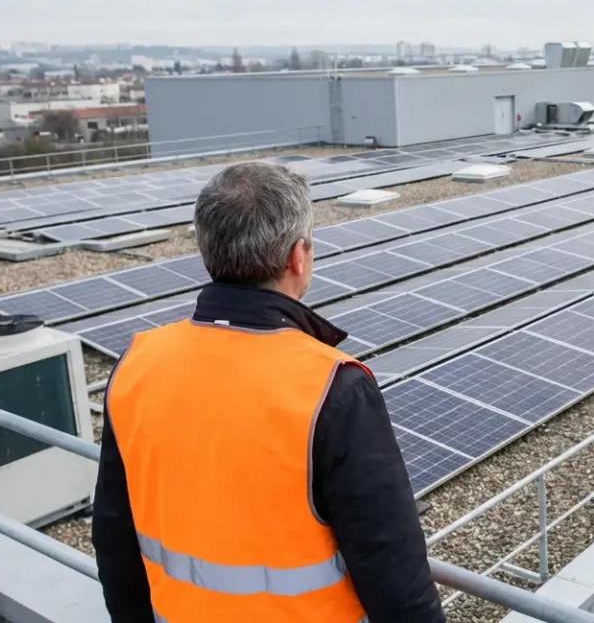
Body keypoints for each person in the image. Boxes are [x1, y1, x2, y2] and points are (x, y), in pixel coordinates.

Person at [92, 161, 445, 623]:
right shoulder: (333, 386)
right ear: (298, 256)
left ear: (207, 252)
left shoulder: (139, 362)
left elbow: (114, 535)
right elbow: (392, 569)